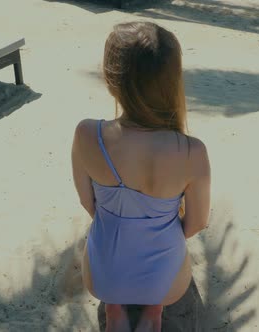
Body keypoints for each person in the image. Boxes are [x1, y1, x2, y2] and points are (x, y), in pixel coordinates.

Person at [71, 21, 211, 332]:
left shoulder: (86, 134)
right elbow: (197, 223)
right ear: (171, 80)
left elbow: (88, 202)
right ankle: (154, 310)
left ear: (111, 79)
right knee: (163, 240)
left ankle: (116, 311)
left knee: (112, 225)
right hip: (166, 282)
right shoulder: (191, 152)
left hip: (103, 277)